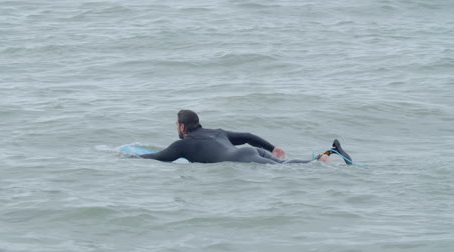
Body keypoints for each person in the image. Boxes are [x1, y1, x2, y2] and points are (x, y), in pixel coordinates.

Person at [137, 110, 352, 164]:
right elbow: (248, 136)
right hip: (250, 152)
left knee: (286, 169)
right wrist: (272, 148)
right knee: (284, 164)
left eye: (176, 125)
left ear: (182, 127)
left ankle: (324, 158)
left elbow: (156, 158)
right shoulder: (216, 132)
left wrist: (125, 157)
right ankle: (323, 156)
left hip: (242, 159)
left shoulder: (182, 145)